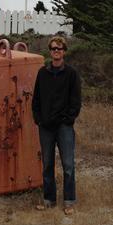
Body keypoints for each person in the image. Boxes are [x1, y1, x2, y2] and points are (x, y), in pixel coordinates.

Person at [32, 35, 81, 215]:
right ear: (50, 51)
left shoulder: (71, 74)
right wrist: (38, 119)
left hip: (64, 127)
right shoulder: (42, 73)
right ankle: (49, 201)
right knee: (47, 165)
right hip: (46, 127)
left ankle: (69, 202)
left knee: (68, 165)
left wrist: (68, 119)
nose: (56, 51)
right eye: (53, 48)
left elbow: (76, 101)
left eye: (59, 49)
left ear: (64, 51)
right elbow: (36, 99)